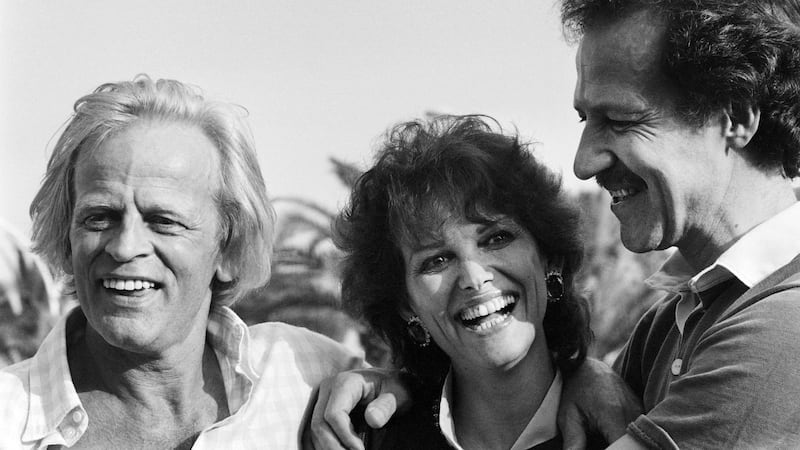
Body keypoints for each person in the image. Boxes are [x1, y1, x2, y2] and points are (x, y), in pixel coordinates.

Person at [309, 1, 800, 449]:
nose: (583, 164)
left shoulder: (783, 325)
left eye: (621, 120)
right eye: (586, 119)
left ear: (735, 116)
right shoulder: (667, 327)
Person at [0, 75, 363, 449]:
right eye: (99, 217)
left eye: (163, 221)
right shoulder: (9, 421)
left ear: (229, 248)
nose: (124, 247)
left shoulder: (311, 376)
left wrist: (391, 391)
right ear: (66, 236)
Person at [335, 115, 597, 449]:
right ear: (404, 305)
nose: (474, 277)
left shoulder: (629, 424)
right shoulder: (367, 438)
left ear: (549, 257)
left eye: (496, 238)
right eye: (437, 260)